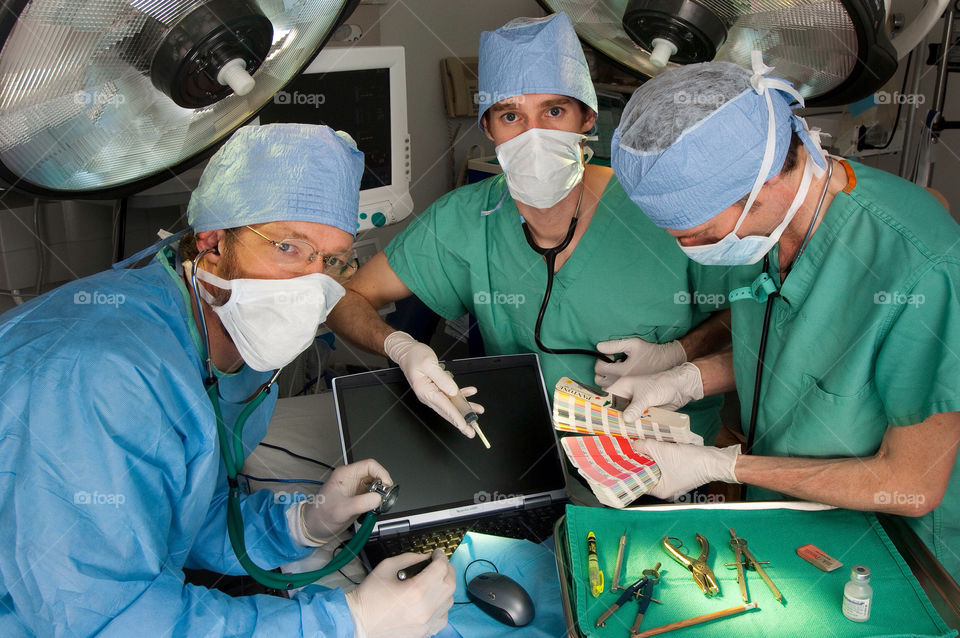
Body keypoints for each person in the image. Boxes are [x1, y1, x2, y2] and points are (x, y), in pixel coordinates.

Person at [0, 124, 455, 637]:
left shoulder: (238, 344)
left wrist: (302, 523)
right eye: (289, 247)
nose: (314, 284)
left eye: (331, 261)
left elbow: (178, 513)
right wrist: (345, 623)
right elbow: (101, 618)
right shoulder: (102, 378)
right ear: (212, 242)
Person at [608, 57, 960, 577]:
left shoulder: (920, 271)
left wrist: (723, 465)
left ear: (766, 181)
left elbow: (913, 482)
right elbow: (797, 357)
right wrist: (683, 378)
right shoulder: (765, 230)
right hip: (783, 521)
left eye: (699, 233)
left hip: (893, 555)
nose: (690, 247)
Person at [326, 12, 731, 445]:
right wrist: (400, 348)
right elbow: (344, 300)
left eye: (554, 111)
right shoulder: (465, 218)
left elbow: (751, 314)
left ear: (587, 117)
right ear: (488, 127)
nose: (533, 135)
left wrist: (679, 353)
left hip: (671, 456)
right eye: (510, 116)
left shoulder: (660, 206)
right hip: (531, 453)